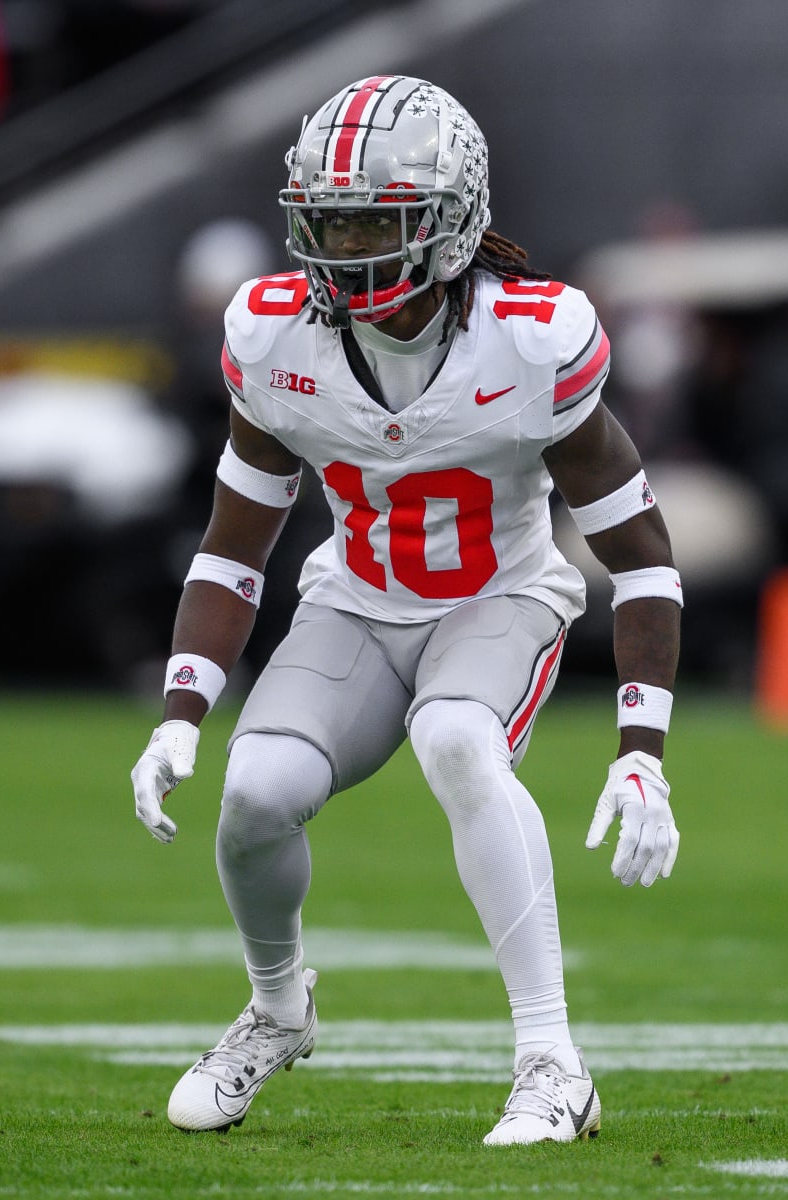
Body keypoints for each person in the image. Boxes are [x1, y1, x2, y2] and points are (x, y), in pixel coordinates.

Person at [127, 75, 683, 1145]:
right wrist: (179, 715)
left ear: (450, 223)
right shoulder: (275, 338)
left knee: (460, 740)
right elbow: (235, 547)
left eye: (371, 223)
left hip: (500, 596)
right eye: (325, 221)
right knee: (254, 793)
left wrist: (643, 748)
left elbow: (643, 557)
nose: (341, 248)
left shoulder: (530, 340)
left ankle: (551, 1062)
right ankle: (278, 1009)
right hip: (357, 603)